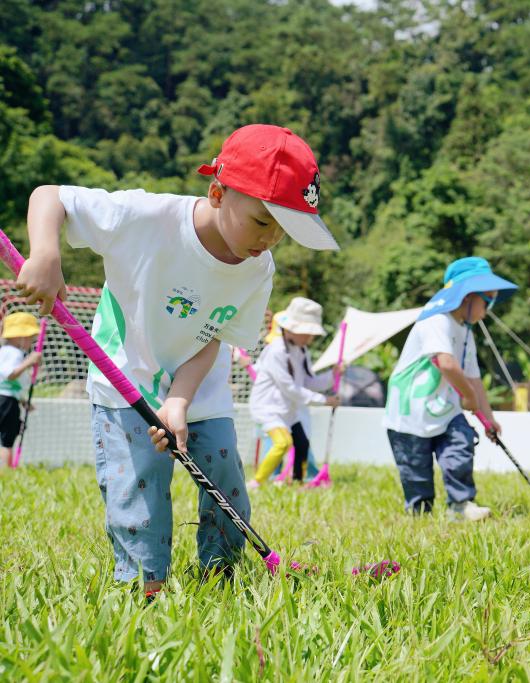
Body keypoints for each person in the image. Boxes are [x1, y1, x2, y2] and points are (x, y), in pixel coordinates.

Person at [16, 124, 339, 595]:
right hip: (124, 380)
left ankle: (219, 580)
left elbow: (215, 336)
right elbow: (50, 196)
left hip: (200, 389)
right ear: (217, 194)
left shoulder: (258, 268)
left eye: (284, 230)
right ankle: (145, 589)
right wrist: (46, 253)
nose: (270, 240)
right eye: (263, 221)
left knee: (226, 487)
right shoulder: (144, 216)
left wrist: (181, 401)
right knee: (140, 493)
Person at [382, 256, 517, 521]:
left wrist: (488, 418)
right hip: (410, 414)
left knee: (460, 447)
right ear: (466, 296)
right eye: (486, 300)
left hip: (445, 410)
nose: (488, 309)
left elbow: (474, 379)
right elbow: (446, 363)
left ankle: (461, 504)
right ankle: (419, 513)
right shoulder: (436, 320)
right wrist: (467, 395)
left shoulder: (466, 332)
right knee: (416, 471)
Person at [247, 297, 342, 488]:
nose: (310, 338)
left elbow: (307, 382)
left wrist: (332, 376)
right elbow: (290, 388)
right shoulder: (276, 352)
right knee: (282, 443)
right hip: (269, 409)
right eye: (306, 332)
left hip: (288, 410)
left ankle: (298, 481)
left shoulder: (302, 350)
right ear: (290, 329)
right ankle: (257, 482)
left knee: (302, 443)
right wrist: (324, 400)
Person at [0, 312, 43, 467]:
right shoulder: (14, 353)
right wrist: (29, 362)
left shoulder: (4, 352)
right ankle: (8, 470)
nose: (31, 342)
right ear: (21, 337)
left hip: (7, 399)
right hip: (6, 402)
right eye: (30, 338)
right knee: (7, 439)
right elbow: (9, 375)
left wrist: (22, 401)